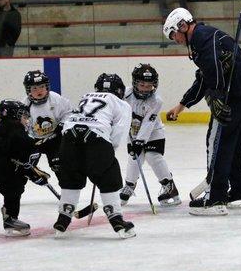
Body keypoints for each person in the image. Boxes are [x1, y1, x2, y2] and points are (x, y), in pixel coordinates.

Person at [164, 8, 241, 216]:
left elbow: (213, 69)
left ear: (182, 26)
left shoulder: (202, 37)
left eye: (173, 34)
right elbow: (205, 76)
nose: (175, 40)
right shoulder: (206, 37)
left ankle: (215, 198)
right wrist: (182, 105)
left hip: (232, 95)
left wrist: (216, 95)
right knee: (233, 145)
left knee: (217, 142)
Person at [54, 73, 135, 239]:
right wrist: (106, 151)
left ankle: (63, 218)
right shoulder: (122, 103)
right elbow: (120, 131)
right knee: (109, 175)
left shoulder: (86, 96)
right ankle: (116, 219)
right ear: (119, 90)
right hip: (96, 138)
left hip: (69, 138)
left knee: (72, 177)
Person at [0, 100, 51, 237]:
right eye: (24, 117)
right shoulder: (14, 128)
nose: (26, 120)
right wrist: (33, 174)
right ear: (15, 116)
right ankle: (10, 218)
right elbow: (26, 154)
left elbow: (8, 155)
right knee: (15, 185)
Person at [119, 63, 181, 207]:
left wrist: (140, 141)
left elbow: (148, 123)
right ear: (134, 83)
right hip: (133, 132)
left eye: (149, 86)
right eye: (142, 85)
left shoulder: (156, 100)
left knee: (153, 156)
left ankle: (169, 187)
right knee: (135, 158)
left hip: (154, 132)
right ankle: (129, 185)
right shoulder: (124, 95)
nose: (146, 89)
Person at [21, 70, 73, 180]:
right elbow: (22, 126)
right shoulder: (24, 106)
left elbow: (68, 113)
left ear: (47, 87)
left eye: (41, 86)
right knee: (25, 168)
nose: (39, 90)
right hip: (34, 142)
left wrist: (62, 125)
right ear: (28, 90)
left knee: (60, 166)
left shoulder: (56, 99)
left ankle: (67, 191)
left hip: (55, 140)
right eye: (34, 88)